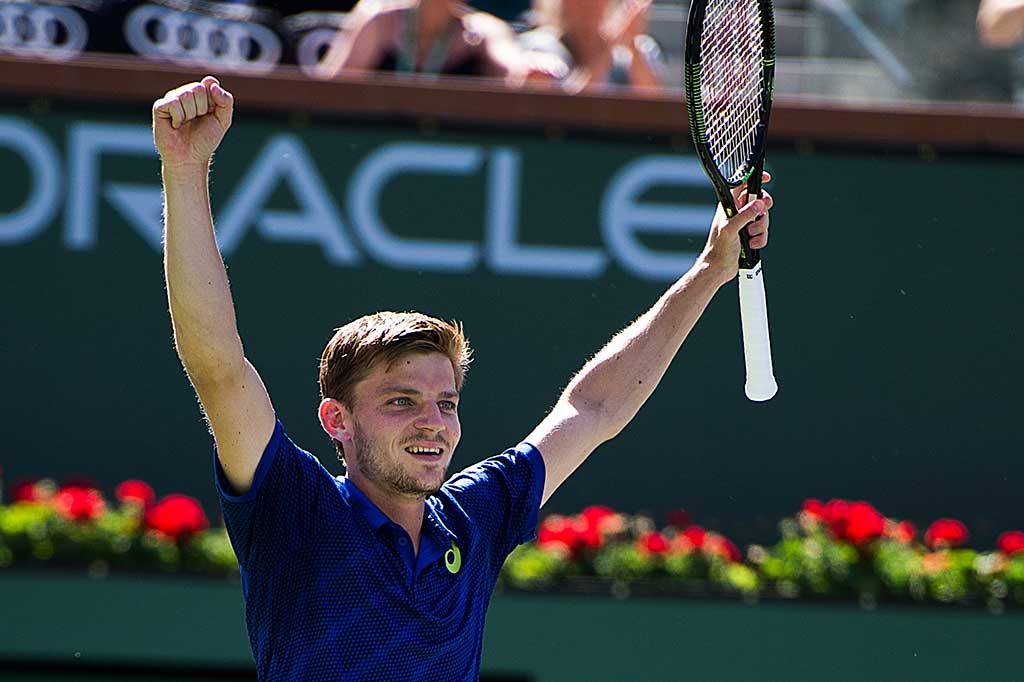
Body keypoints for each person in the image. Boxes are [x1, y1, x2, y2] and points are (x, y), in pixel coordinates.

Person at [153, 76, 772, 681]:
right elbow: (218, 366)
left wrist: (711, 270)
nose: (433, 421)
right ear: (336, 420)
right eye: (401, 401)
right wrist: (184, 171)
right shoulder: (294, 509)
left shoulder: (474, 518)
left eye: (445, 403)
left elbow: (594, 408)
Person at [316, 0, 565, 85]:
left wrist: (530, 68)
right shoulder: (377, 19)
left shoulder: (483, 30)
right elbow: (330, 90)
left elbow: (513, 67)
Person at [518, 0, 664, 92]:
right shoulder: (541, 47)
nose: (587, 3)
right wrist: (607, 49)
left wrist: (631, 43)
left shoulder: (639, 47)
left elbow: (655, 109)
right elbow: (571, 112)